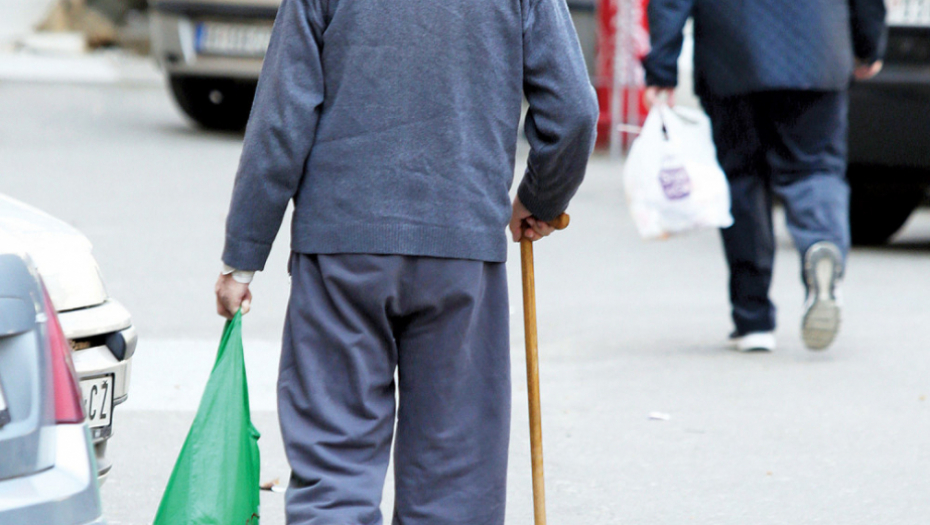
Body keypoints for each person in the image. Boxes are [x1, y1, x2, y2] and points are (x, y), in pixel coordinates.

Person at [213, 0, 599, 522]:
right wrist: (542, 197)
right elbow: (573, 110)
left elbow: (282, 118)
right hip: (461, 249)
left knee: (333, 474)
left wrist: (243, 258)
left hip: (341, 249)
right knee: (454, 483)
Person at [642, 0, 887, 352]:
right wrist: (868, 44)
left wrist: (661, 67)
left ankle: (753, 319)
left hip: (732, 52)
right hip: (817, 44)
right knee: (814, 167)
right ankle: (822, 246)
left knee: (742, 178)